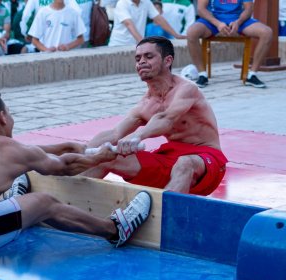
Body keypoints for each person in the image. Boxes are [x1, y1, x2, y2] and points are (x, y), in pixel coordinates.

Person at [0, 85, 152, 267]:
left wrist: (66, 145)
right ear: (2, 117)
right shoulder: (9, 151)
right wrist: (101, 157)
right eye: (9, 113)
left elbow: (30, 153)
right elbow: (64, 167)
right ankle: (116, 229)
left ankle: (10, 201)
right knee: (42, 203)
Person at [82, 36, 228, 196]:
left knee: (185, 163)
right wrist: (85, 153)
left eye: (148, 56)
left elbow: (166, 119)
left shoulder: (187, 89)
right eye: (138, 58)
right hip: (172, 158)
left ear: (168, 61)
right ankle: (68, 205)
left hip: (206, 159)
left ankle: (165, 218)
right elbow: (114, 134)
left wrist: (136, 136)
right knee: (104, 158)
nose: (141, 62)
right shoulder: (145, 104)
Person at [186, 0, 272, 88]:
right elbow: (201, 9)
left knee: (267, 33)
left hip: (238, 21)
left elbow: (249, 9)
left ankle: (252, 75)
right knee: (191, 32)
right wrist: (218, 24)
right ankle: (202, 75)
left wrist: (238, 22)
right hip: (213, 20)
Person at [108, 0, 185, 47]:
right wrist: (143, 43)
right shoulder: (122, 3)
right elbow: (129, 24)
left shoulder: (146, 2)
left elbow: (159, 19)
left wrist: (176, 35)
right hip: (118, 45)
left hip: (136, 46)